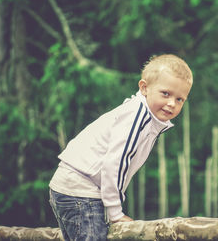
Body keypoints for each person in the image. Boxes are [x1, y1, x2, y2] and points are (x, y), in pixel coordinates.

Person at [49, 54, 193, 241]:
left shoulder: (142, 115)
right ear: (144, 88)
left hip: (72, 186)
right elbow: (115, 163)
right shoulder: (137, 117)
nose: (172, 103)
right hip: (81, 190)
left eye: (180, 99)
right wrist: (116, 213)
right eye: (165, 93)